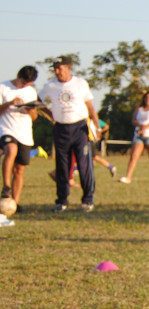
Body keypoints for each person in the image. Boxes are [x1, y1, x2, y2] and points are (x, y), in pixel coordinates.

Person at [39, 56, 100, 212]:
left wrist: (97, 127)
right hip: (61, 128)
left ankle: (87, 200)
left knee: (84, 164)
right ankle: (62, 200)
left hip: (80, 128)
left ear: (68, 68)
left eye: (60, 68)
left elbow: (90, 107)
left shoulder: (80, 83)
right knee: (62, 166)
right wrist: (50, 113)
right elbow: (38, 101)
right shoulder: (50, 86)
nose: (58, 71)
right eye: (55, 68)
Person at [1, 66, 40, 219]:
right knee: (10, 150)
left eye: (29, 83)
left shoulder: (31, 92)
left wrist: (30, 110)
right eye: (23, 82)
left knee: (19, 170)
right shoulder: (3, 87)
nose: (25, 85)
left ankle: (14, 204)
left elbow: (35, 116)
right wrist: (10, 103)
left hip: (24, 133)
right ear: (18, 76)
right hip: (6, 129)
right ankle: (6, 187)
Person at [118, 91, 149, 185]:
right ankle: (128, 177)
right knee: (134, 156)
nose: (148, 100)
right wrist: (139, 125)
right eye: (146, 98)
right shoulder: (139, 109)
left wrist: (146, 127)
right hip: (138, 135)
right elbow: (133, 120)